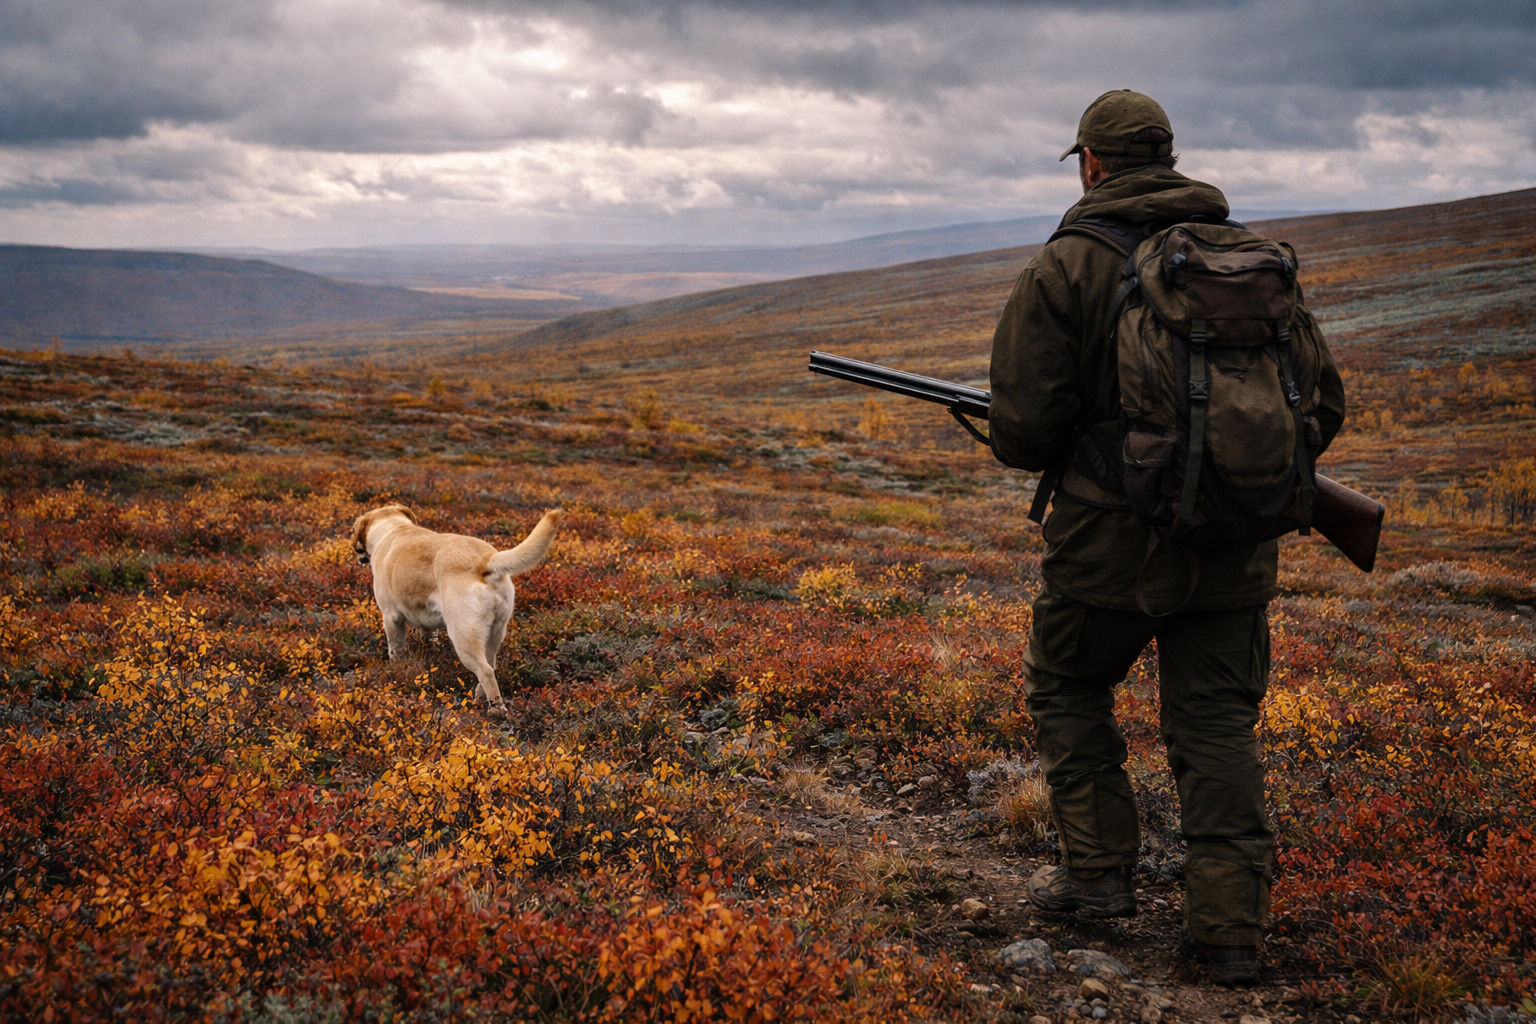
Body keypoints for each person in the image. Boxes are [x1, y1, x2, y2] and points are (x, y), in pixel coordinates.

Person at [987, 89, 1346, 986]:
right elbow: (1323, 406)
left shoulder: (1065, 265)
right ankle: (1228, 933)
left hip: (1107, 547)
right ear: (1169, 156)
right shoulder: (1247, 261)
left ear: (1093, 164)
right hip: (1233, 545)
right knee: (1217, 725)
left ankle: (1097, 878)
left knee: (1069, 682)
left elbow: (1023, 433)